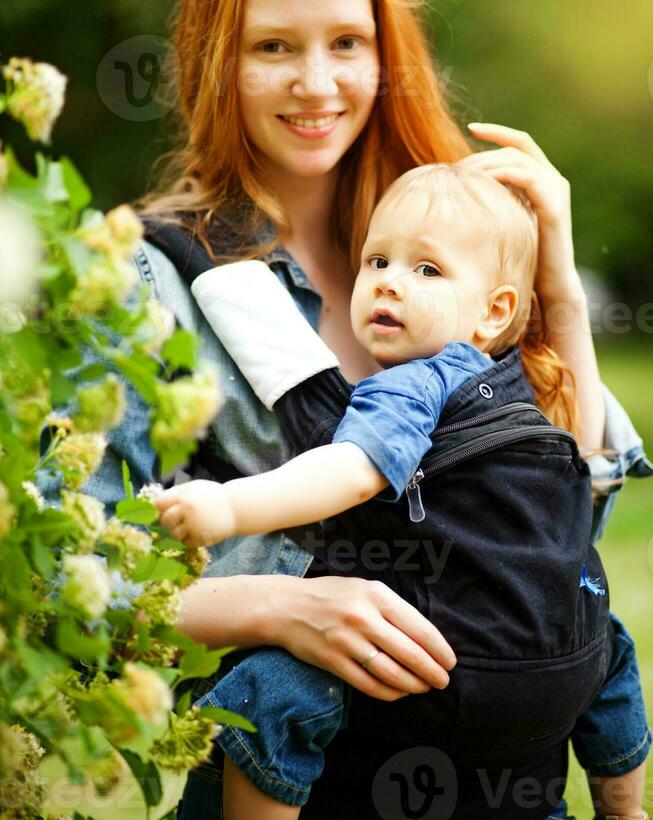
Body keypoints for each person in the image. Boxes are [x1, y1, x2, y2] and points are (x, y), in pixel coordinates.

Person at [80, 0, 650, 818]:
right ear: (215, 65)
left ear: (389, 56)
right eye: (273, 47)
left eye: (346, 42)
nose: (316, 82)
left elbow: (566, 528)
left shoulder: (460, 251)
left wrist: (557, 294)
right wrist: (276, 609)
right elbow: (68, 579)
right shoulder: (148, 278)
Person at [154, 162, 648, 820]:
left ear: (495, 309)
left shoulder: (415, 382)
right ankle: (623, 807)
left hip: (437, 661)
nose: (389, 281)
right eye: (377, 260)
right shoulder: (523, 381)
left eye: (426, 270)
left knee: (267, 691)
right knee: (611, 646)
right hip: (554, 673)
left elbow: (350, 472)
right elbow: (585, 454)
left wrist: (228, 506)